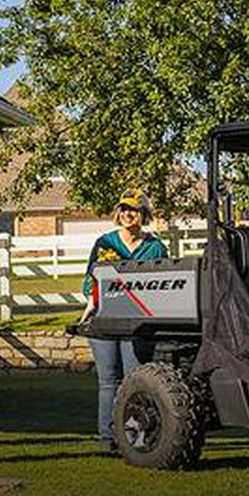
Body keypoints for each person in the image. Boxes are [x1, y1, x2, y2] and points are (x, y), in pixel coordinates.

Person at [81, 188, 168, 451]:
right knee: (108, 381)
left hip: (137, 323)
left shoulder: (155, 246)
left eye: (135, 210)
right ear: (118, 213)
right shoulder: (105, 243)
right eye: (125, 209)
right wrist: (92, 298)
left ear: (144, 214)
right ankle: (108, 439)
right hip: (104, 320)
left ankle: (132, 437)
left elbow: (164, 281)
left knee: (134, 381)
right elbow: (89, 280)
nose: (129, 214)